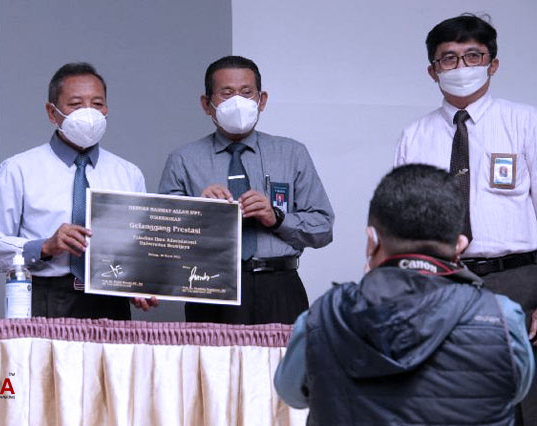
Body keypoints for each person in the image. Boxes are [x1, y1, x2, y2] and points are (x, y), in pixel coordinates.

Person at [274, 164, 534, 425]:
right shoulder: (503, 319)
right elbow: (516, 390)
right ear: (460, 246)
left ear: (371, 240)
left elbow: (290, 392)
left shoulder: (321, 318)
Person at [394, 14, 537, 424]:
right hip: (437, 284)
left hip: (516, 281)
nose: (462, 68)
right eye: (449, 59)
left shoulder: (524, 123)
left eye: (473, 56)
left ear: (492, 64)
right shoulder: (415, 136)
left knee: (521, 402)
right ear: (432, 70)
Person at [159, 55, 334, 325]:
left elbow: (323, 229)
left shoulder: (291, 153)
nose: (237, 102)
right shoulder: (183, 159)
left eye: (246, 92)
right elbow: (162, 240)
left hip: (279, 286)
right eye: (226, 94)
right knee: (212, 368)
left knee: (282, 366)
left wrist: (277, 217)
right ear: (207, 104)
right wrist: (198, 212)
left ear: (261, 100)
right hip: (209, 287)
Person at [0, 62, 157, 319]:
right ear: (52, 112)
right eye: (75, 104)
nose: (89, 112)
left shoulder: (128, 174)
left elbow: (139, 248)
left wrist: (142, 283)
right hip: (44, 299)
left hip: (110, 304)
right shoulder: (19, 170)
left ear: (107, 109)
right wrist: (45, 247)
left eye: (97, 103)